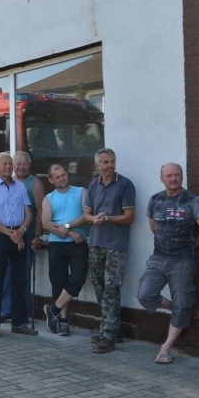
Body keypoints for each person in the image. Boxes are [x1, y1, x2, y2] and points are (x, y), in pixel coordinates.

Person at [136, 163, 199, 363]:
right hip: (158, 258)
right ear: (161, 178)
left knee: (183, 303)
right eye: (169, 175)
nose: (173, 179)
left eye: (177, 175)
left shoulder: (192, 201)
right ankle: (176, 308)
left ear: (182, 177)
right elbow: (154, 227)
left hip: (182, 262)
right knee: (144, 294)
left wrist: (188, 246)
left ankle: (165, 348)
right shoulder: (155, 200)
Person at [0, 152, 37, 338]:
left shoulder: (19, 187)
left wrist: (21, 231)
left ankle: (19, 323)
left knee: (19, 281)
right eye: (4, 164)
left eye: (10, 164)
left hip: (19, 236)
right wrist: (12, 234)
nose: (8, 167)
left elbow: (29, 213)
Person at [83, 148, 136, 353]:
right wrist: (94, 219)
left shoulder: (124, 184)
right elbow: (86, 214)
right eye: (105, 162)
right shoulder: (93, 185)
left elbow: (129, 217)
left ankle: (108, 337)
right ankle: (112, 328)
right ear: (97, 165)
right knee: (99, 288)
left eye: (112, 161)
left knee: (111, 289)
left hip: (116, 245)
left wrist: (108, 218)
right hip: (95, 242)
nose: (110, 165)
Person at [41, 164, 89, 336]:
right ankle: (63, 321)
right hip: (57, 244)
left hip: (79, 244)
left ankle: (53, 309)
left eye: (63, 175)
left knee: (78, 277)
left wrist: (67, 226)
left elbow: (86, 216)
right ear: (51, 180)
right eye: (57, 176)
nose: (62, 178)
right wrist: (70, 231)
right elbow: (46, 223)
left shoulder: (81, 191)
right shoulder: (48, 198)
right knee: (59, 282)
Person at [0, 151, 45, 321]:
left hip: (28, 233)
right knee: (6, 273)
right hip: (9, 234)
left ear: (29, 164)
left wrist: (38, 235)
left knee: (23, 275)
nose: (20, 167)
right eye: (17, 164)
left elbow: (41, 210)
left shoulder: (35, 182)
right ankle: (6, 309)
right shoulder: (9, 181)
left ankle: (23, 311)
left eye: (24, 164)